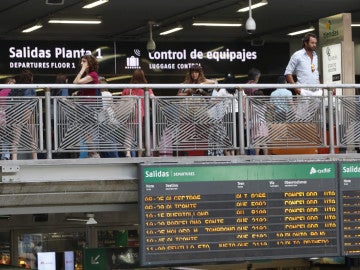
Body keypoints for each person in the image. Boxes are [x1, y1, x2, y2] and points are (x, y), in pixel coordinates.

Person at [122, 69, 155, 157]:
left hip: (130, 114)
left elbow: (122, 100)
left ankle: (128, 152)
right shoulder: (146, 88)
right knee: (141, 138)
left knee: (128, 136)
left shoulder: (128, 88)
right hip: (142, 116)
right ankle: (140, 156)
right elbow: (152, 97)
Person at [73, 54, 100, 158]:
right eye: (81, 61)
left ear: (89, 63)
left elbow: (76, 82)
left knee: (86, 131)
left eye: (84, 61)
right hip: (85, 106)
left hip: (89, 106)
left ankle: (94, 153)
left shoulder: (93, 74)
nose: (81, 63)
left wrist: (82, 69)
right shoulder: (89, 75)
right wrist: (78, 92)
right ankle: (91, 153)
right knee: (85, 130)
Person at [8, 70, 37, 160]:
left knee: (15, 139)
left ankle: (14, 160)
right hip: (27, 113)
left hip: (16, 113)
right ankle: (35, 160)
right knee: (32, 138)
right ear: (30, 78)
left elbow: (10, 99)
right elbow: (31, 102)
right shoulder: (30, 88)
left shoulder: (15, 88)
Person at [211, 73, 239, 156]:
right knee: (237, 136)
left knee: (228, 136)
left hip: (228, 114)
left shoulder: (223, 89)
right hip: (238, 114)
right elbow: (244, 100)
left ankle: (230, 157)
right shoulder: (238, 89)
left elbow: (215, 101)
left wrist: (209, 104)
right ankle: (235, 156)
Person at [98, 76, 119, 158]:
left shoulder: (99, 95)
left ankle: (106, 156)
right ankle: (115, 156)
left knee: (103, 140)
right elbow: (112, 106)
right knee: (111, 139)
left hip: (100, 119)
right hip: (110, 119)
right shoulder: (109, 94)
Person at [0, 77, 16, 160]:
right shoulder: (11, 91)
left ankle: (5, 155)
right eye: (13, 82)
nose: (14, 85)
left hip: (2, 117)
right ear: (8, 83)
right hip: (9, 117)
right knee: (9, 137)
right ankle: (7, 156)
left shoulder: (1, 92)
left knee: (3, 137)